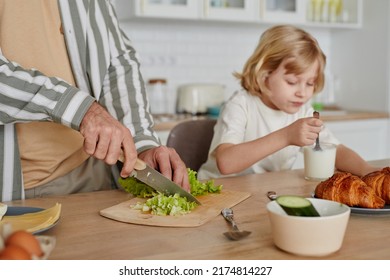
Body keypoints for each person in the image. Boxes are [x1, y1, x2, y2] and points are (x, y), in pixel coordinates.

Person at [0, 0, 189, 202]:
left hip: (96, 171)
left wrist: (142, 143)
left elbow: (118, 62)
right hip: (24, 187)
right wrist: (82, 110)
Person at [198, 25, 381, 180]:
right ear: (265, 74)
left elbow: (336, 151)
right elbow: (226, 163)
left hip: (260, 192)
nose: (302, 93)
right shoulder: (240, 105)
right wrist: (287, 136)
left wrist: (367, 171)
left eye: (310, 83)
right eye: (292, 82)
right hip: (218, 193)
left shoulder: (302, 112)